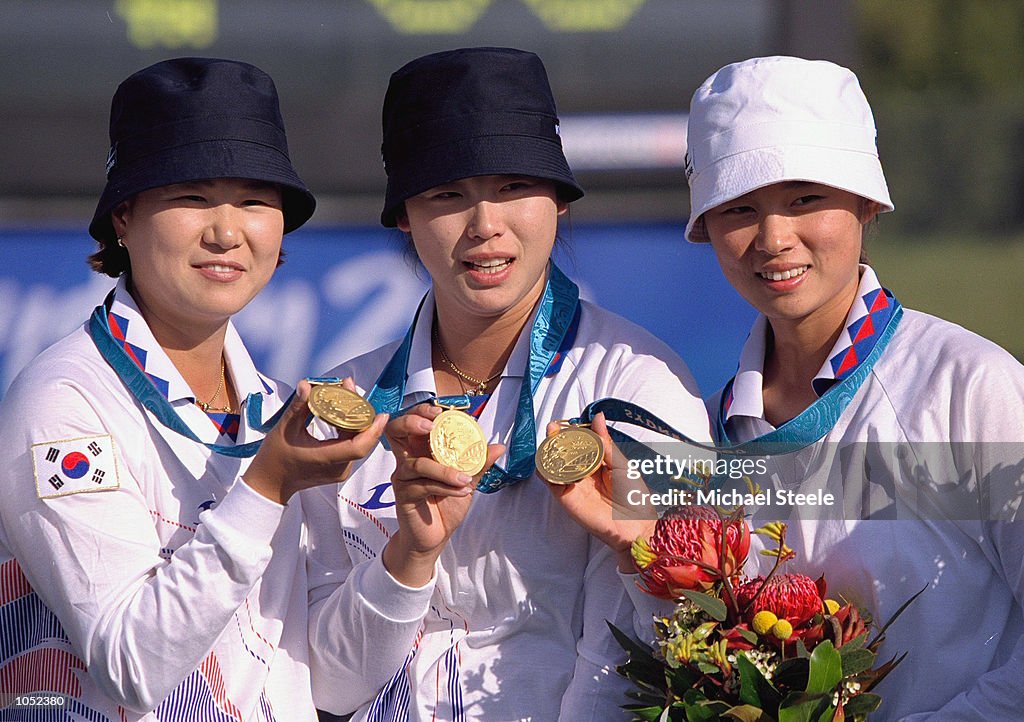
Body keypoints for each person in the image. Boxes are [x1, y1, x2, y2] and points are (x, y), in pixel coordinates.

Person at [301, 47, 712, 720]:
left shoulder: (643, 384)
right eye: (446, 194)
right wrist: (409, 554)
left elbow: (686, 654)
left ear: (559, 200)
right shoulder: (344, 410)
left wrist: (641, 549)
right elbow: (328, 686)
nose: (485, 224)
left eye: (515, 185)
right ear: (403, 214)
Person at [0, 57, 385, 720]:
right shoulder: (63, 401)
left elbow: (334, 686)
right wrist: (265, 488)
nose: (227, 231)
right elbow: (129, 665)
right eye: (192, 197)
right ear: (123, 216)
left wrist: (415, 549)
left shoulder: (279, 409)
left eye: (256, 201)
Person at [684, 56, 1024, 720]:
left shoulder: (970, 386)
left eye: (805, 198)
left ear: (867, 201)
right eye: (741, 208)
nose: (775, 238)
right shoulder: (703, 437)